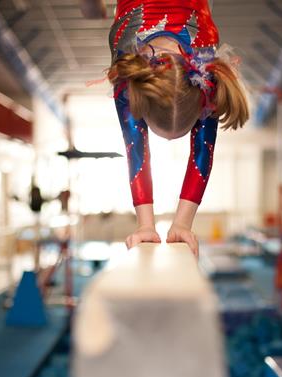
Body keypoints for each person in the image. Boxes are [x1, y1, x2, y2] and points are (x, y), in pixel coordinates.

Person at [82, 0, 249, 257]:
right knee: (90, 9)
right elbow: (139, 150)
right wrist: (147, 224)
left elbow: (141, 150)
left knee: (90, 10)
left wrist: (174, 224)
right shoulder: (202, 63)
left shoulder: (130, 63)